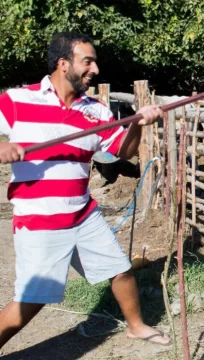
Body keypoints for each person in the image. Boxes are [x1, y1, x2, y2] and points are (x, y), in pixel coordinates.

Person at [0, 32, 170, 349]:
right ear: (63, 64)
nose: (94, 69)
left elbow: (124, 151)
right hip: (41, 220)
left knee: (120, 271)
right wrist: (3, 146)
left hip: (82, 214)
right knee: (30, 303)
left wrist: (138, 124)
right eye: (87, 61)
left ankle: (136, 326)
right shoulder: (18, 100)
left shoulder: (96, 112)